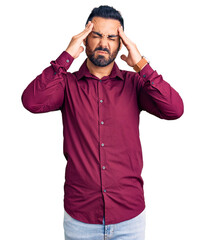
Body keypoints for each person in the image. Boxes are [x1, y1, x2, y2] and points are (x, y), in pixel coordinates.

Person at [21, 5, 184, 240]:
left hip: (129, 217)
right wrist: (66, 57)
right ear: (85, 40)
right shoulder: (66, 84)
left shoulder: (135, 84)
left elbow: (175, 109)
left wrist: (142, 65)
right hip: (81, 218)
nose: (103, 43)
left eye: (112, 37)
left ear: (120, 44)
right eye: (96, 35)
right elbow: (31, 102)